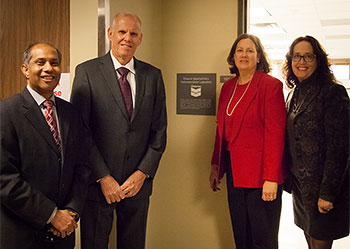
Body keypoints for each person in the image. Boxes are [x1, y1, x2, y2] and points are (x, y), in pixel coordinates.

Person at [70, 12, 167, 249]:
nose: (127, 38)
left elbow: (159, 131)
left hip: (137, 186)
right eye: (122, 32)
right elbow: (80, 131)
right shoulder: (87, 72)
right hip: (98, 184)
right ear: (110, 34)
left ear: (140, 39)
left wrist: (142, 174)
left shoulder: (153, 76)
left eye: (133, 34)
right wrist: (103, 177)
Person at [0, 42, 90, 249]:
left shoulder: (71, 113)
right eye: (40, 62)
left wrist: (72, 211)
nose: (48, 68)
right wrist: (51, 215)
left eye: (54, 63)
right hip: (21, 234)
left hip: (63, 234)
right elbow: (4, 179)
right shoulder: (6, 112)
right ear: (25, 69)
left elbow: (82, 167)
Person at [209, 33, 286, 249]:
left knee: (263, 240)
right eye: (240, 50)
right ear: (233, 57)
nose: (244, 54)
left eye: (250, 50)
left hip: (261, 177)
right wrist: (216, 166)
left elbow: (275, 133)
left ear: (259, 57)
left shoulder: (270, 86)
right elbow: (221, 132)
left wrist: (271, 178)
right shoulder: (227, 88)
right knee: (241, 236)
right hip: (235, 173)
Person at [283, 35, 349, 249]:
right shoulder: (293, 93)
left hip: (323, 189)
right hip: (301, 188)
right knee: (309, 240)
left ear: (318, 60)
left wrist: (327, 194)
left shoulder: (332, 92)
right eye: (297, 56)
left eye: (308, 56)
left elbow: (339, 147)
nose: (301, 62)